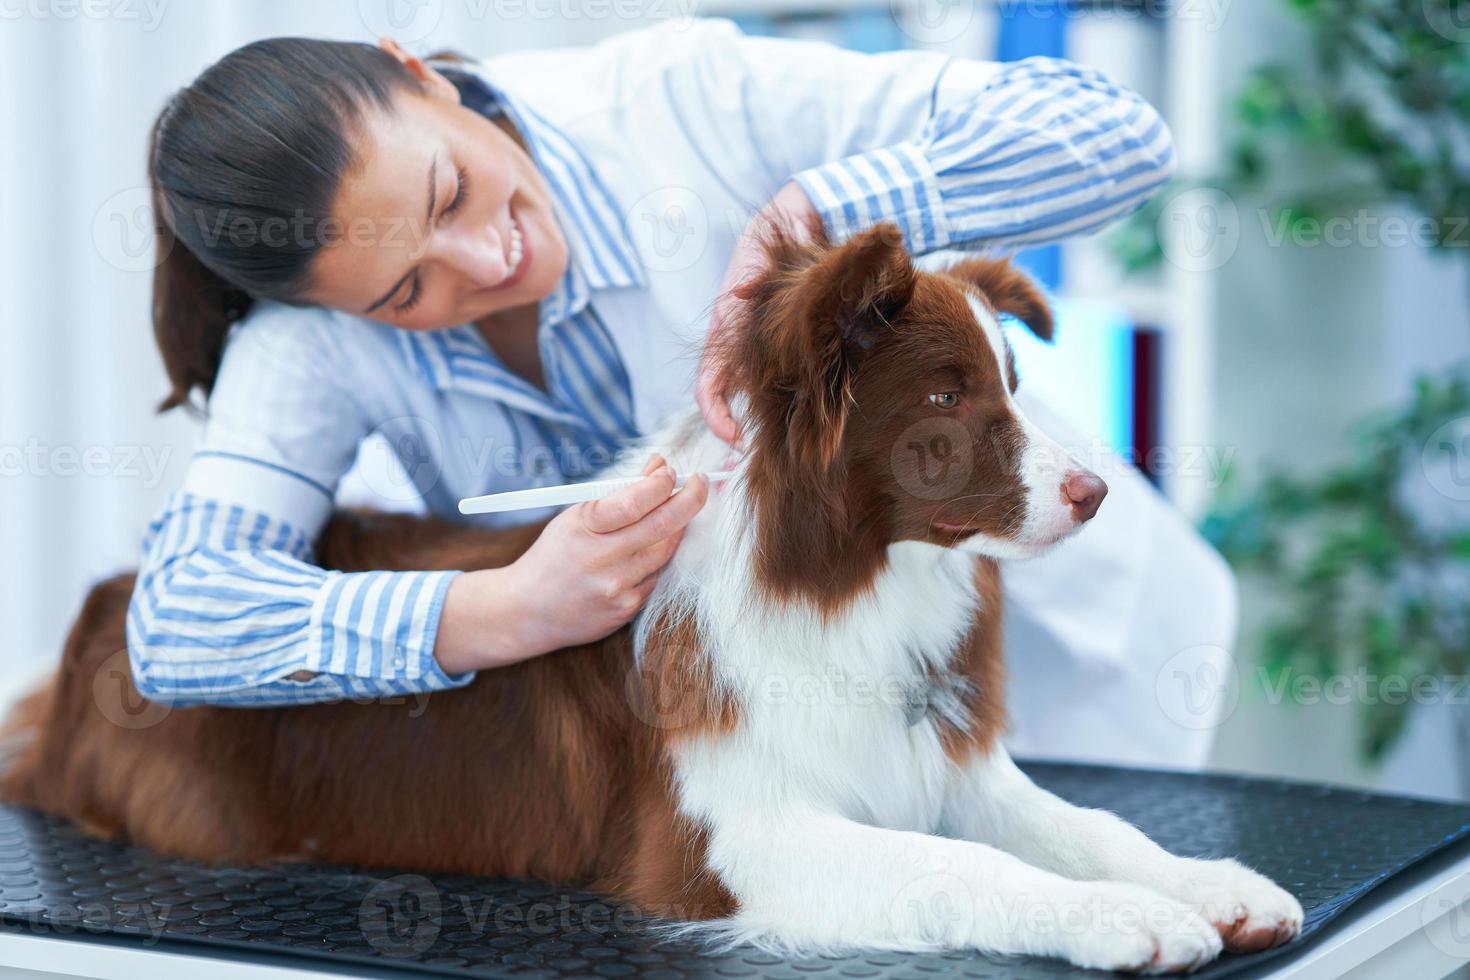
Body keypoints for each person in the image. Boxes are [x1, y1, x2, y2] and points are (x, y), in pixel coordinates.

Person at [131, 19, 1234, 766]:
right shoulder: (314, 342)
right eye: (407, 286)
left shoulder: (690, 100)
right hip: (775, 753)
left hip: (1052, 660)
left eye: (451, 189)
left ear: (416, 69)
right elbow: (180, 621)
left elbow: (1116, 135)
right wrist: (497, 610)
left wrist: (822, 210)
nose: (485, 258)